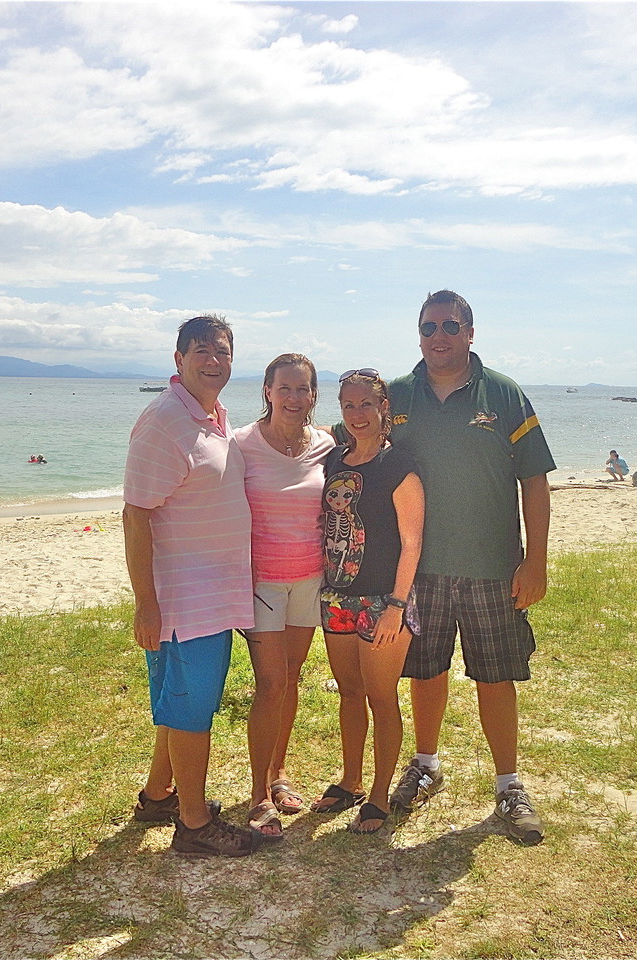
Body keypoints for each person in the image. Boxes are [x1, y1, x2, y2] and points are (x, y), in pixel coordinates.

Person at [341, 290, 553, 845]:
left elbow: (534, 479)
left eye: (451, 326)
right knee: (426, 672)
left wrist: (536, 560)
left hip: (492, 567)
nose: (439, 336)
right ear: (418, 334)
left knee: (495, 675)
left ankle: (508, 783)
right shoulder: (399, 395)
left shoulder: (503, 394)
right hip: (418, 573)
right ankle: (426, 765)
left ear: (470, 333)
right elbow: (350, 445)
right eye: (429, 326)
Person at [122, 315, 261, 858]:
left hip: (210, 595)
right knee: (191, 709)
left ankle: (159, 796)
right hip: (183, 601)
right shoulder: (164, 420)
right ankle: (195, 824)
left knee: (177, 702)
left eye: (222, 351)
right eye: (201, 351)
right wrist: (147, 605)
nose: (213, 360)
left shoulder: (210, 415)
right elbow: (136, 516)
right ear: (178, 360)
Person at [314, 369, 424, 834]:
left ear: (384, 409)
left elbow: (412, 542)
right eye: (348, 406)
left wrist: (397, 606)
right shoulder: (334, 462)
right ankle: (351, 780)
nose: (357, 414)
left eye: (366, 405)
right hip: (337, 596)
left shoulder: (400, 467)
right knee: (350, 693)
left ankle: (379, 794)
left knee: (382, 697)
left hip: (385, 602)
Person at [231, 354, 336, 840]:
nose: (295, 398)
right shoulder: (242, 445)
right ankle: (257, 796)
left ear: (314, 395)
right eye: (285, 388)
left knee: (290, 679)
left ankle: (277, 774)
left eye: (304, 389)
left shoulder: (325, 446)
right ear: (267, 392)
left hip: (310, 579)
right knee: (270, 685)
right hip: (262, 583)